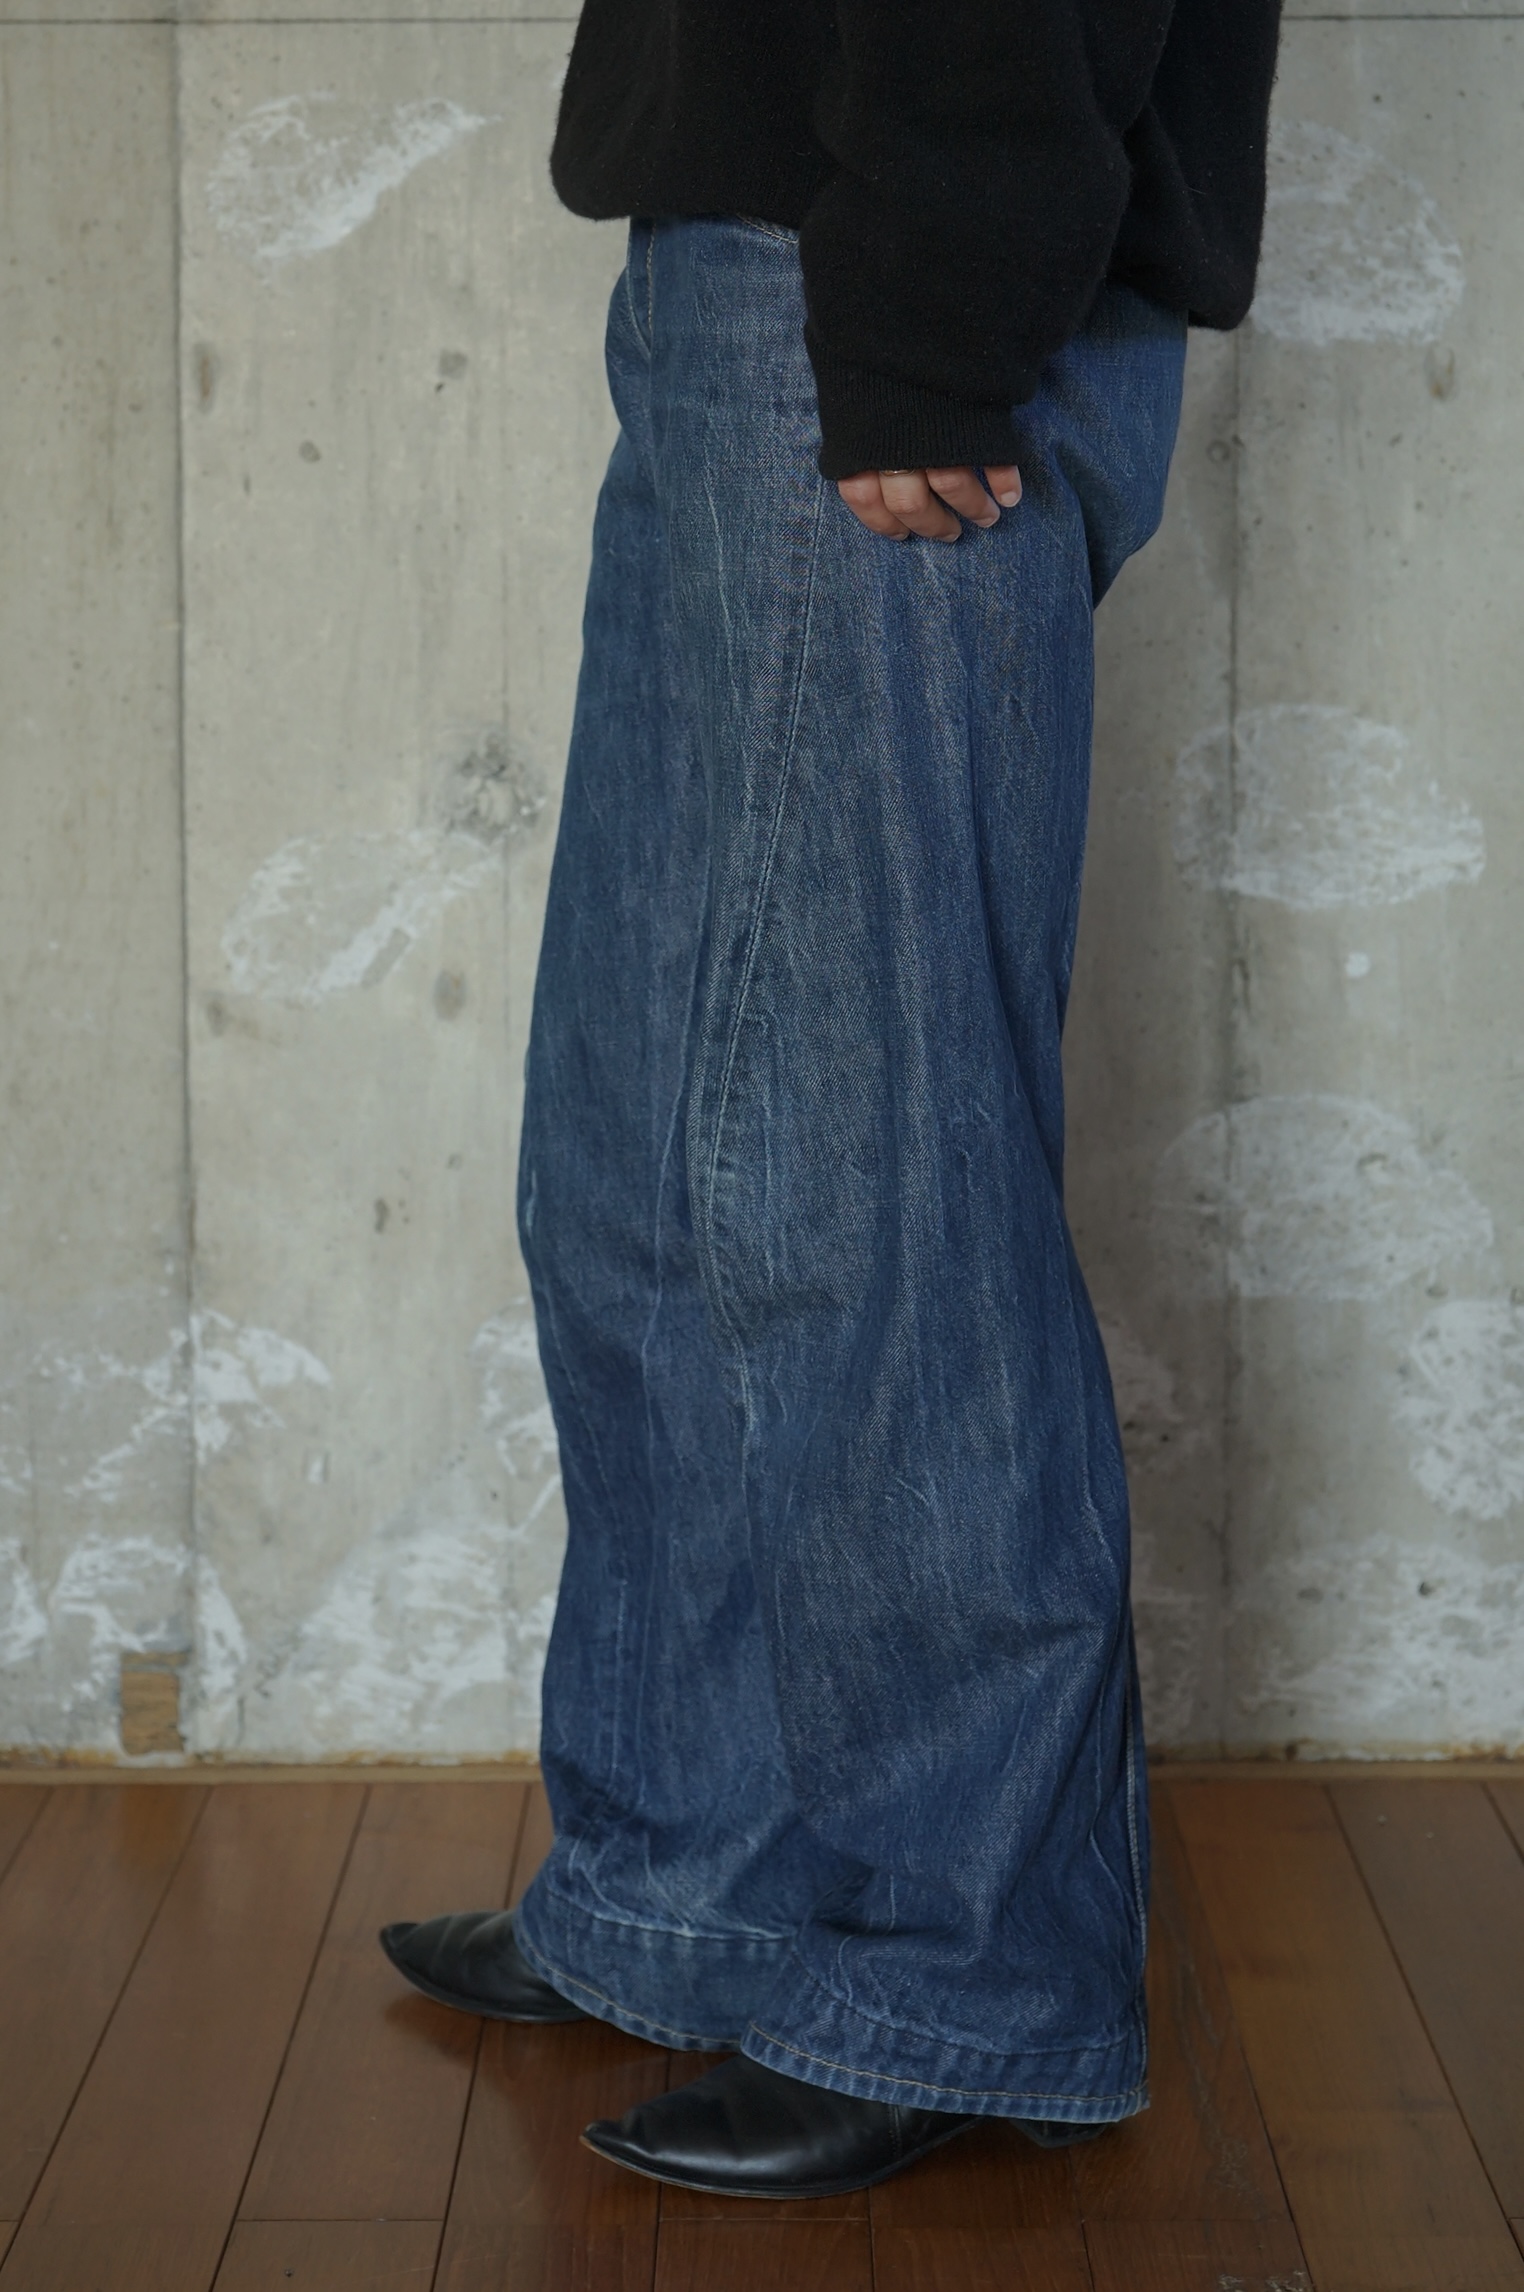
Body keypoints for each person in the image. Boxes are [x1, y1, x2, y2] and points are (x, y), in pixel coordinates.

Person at [381, 0, 1283, 2200]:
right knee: (648, 1164)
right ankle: (692, 1877)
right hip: (757, 253)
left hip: (883, 275)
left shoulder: (908, 300)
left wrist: (932, 307)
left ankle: (970, 1974)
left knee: (869, 1184)